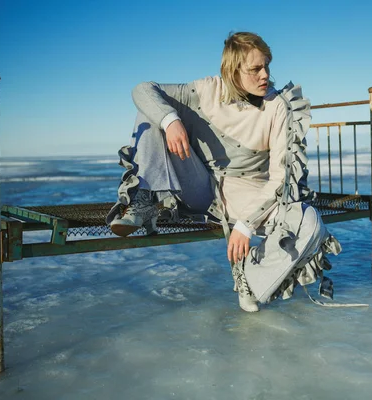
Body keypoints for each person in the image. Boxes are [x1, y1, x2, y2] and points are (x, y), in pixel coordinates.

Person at [106, 32, 341, 312]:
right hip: (200, 185)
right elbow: (143, 89)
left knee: (308, 220)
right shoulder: (206, 90)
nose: (265, 74)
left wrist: (246, 225)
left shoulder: (277, 106)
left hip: (249, 192)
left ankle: (251, 275)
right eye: (255, 69)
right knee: (152, 111)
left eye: (267, 65)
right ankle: (142, 200)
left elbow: (280, 178)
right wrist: (171, 121)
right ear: (232, 71)